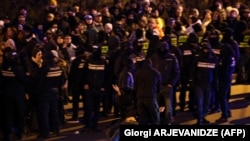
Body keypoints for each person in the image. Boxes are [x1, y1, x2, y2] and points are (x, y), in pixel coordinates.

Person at [150, 41, 180, 125]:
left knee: (168, 107)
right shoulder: (154, 57)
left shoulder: (172, 58)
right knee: (157, 105)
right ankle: (157, 121)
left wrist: (171, 84)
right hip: (157, 86)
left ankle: (168, 122)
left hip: (167, 86)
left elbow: (176, 72)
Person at [1, 49, 27, 141]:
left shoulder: (3, 68)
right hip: (18, 95)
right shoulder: (18, 69)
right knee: (19, 115)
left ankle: (8, 134)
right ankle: (21, 133)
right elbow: (24, 80)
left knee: (8, 115)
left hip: (6, 95)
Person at [190, 41, 219, 125]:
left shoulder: (213, 59)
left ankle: (202, 117)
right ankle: (200, 120)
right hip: (199, 85)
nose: (205, 51)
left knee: (207, 103)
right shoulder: (198, 59)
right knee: (199, 103)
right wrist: (192, 81)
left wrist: (216, 83)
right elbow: (193, 71)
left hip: (209, 85)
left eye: (207, 49)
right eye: (204, 49)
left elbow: (216, 72)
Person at [134, 59, 161, 125]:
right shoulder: (155, 73)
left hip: (140, 98)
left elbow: (135, 86)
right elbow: (159, 86)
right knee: (155, 118)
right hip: (151, 97)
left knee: (142, 119)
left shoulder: (138, 73)